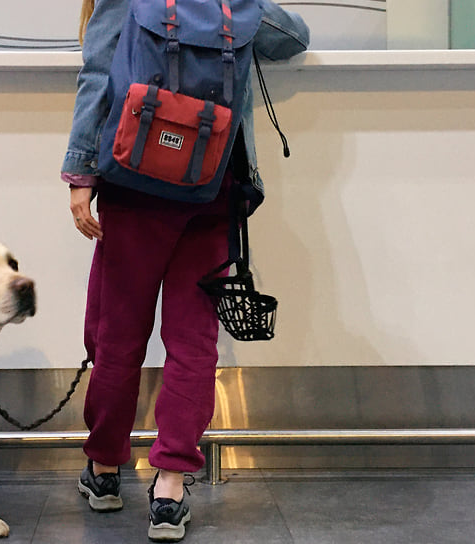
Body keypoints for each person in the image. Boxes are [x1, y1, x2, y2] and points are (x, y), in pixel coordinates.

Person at [61, 0, 309, 540]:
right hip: (212, 186)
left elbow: (98, 73)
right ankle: (170, 489)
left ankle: (104, 470)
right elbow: (293, 38)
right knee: (193, 341)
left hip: (133, 182)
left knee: (118, 332)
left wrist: (80, 171)